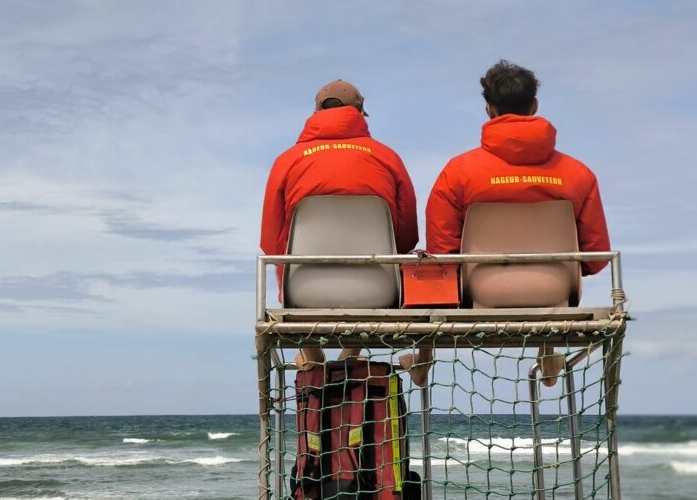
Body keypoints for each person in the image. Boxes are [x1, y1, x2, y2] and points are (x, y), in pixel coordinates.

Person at [401, 60, 610, 387]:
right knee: (548, 286)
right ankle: (547, 347)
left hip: (482, 290)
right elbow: (596, 259)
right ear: (535, 106)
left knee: (430, 275)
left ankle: (423, 358)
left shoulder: (458, 172)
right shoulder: (579, 174)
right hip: (555, 292)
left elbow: (443, 254)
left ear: (488, 109)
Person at [261, 80, 418, 369]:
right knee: (382, 259)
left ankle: (310, 356)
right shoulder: (388, 157)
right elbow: (406, 238)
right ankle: (351, 355)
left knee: (283, 257)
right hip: (379, 290)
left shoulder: (287, 161)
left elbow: (271, 243)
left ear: (315, 112)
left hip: (303, 292)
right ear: (360, 113)